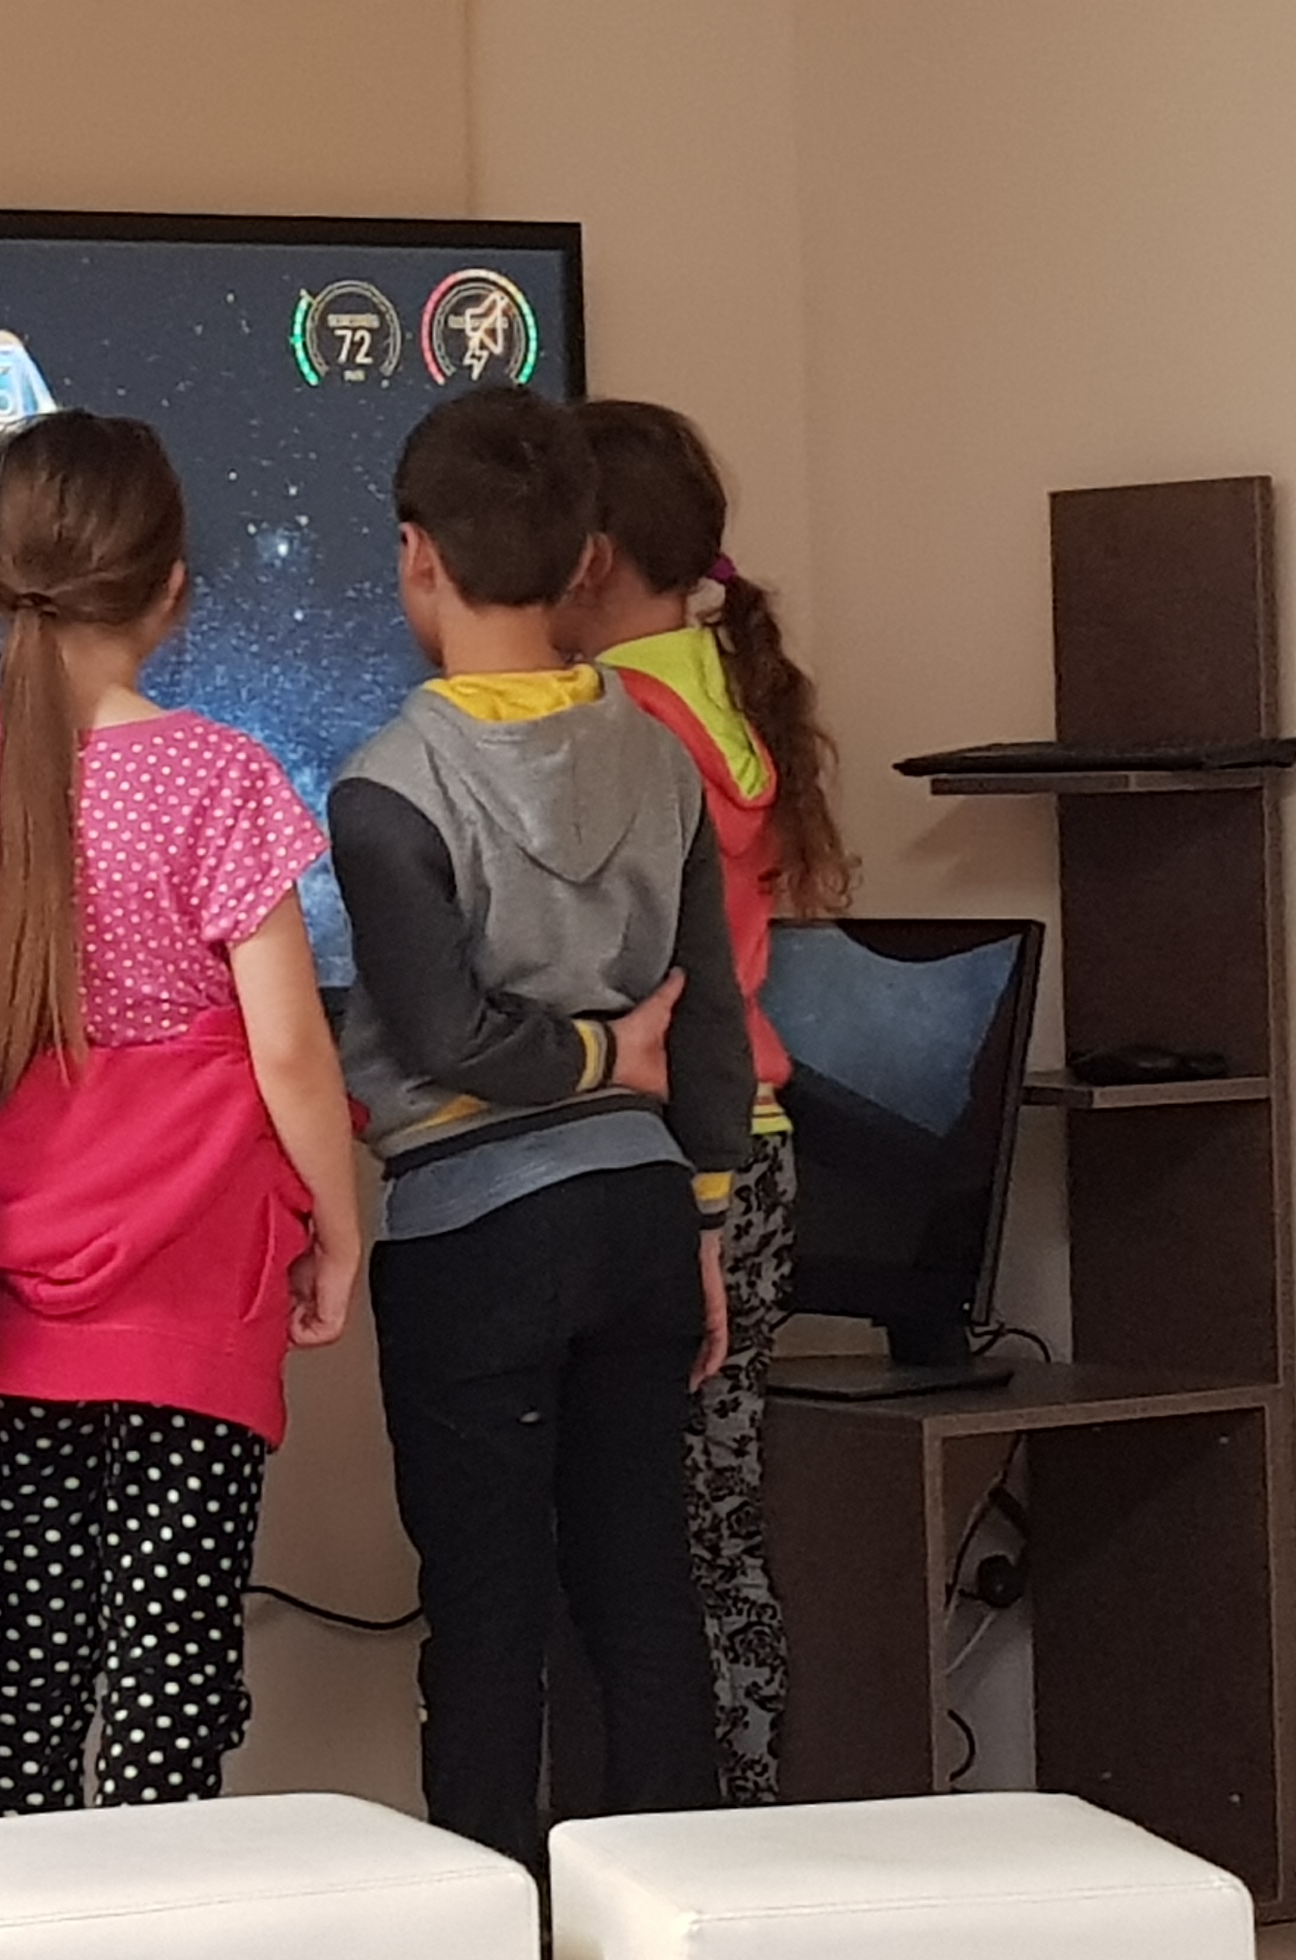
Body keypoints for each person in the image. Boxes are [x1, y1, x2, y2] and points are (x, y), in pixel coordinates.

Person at [0, 410, 366, 1816]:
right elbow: (291, 1050)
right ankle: (152, 1907)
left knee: (29, 1654)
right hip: (196, 1265)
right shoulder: (219, 774)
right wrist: (339, 1229)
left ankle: (15, 1906)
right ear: (171, 587)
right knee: (174, 1656)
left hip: (15, 1257)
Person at [331, 384, 757, 1869]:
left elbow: (442, 1036)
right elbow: (705, 1019)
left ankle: (494, 1914)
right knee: (643, 1590)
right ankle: (677, 1913)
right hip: (640, 1212)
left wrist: (581, 1055)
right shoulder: (658, 758)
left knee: (488, 1611)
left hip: (476, 1235)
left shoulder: (386, 788)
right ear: (586, 556)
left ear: (416, 555)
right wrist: (705, 1214)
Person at [557, 398, 854, 1808]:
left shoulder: (617, 719)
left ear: (586, 557)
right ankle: (741, 1812)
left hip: (671, 1146)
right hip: (757, 1146)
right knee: (715, 1517)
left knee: (636, 1530)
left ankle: (674, 1825)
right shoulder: (726, 696)